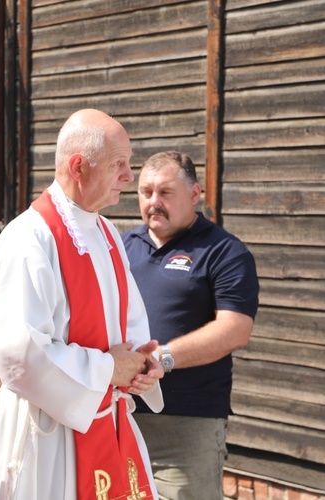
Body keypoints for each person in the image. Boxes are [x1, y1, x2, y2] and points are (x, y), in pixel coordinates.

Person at [0, 108, 164, 500]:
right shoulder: (29, 238)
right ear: (79, 166)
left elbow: (129, 327)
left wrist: (143, 364)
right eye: (119, 165)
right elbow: (18, 354)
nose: (129, 177)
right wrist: (109, 368)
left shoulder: (107, 232)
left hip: (108, 417)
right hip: (51, 431)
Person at [121, 151, 259, 499]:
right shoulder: (121, 247)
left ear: (194, 194)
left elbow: (235, 328)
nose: (153, 202)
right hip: (120, 413)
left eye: (165, 192)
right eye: (146, 192)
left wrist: (163, 358)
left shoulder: (224, 251)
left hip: (185, 424)